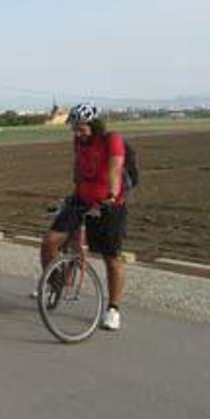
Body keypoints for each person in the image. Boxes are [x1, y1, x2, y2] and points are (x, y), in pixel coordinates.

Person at [41, 103, 128, 331]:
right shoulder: (78, 142)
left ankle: (113, 309)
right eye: (75, 128)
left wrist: (111, 194)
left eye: (81, 128)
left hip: (109, 204)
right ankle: (57, 283)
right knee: (50, 242)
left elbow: (114, 168)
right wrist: (72, 195)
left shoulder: (111, 140)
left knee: (111, 257)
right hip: (81, 199)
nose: (77, 132)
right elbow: (80, 169)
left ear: (94, 125)